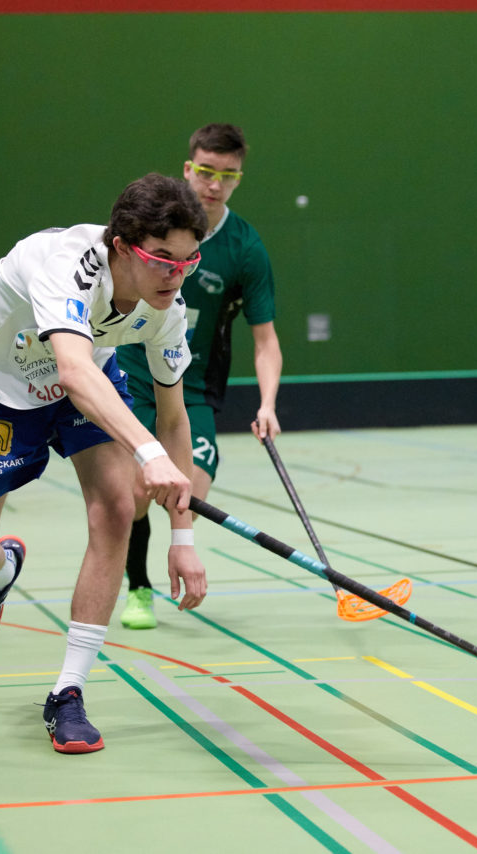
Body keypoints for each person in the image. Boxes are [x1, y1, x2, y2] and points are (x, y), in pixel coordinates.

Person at [0, 174, 210, 754]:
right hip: (4, 390)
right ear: (122, 246)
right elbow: (72, 369)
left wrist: (183, 537)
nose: (175, 275)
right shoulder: (67, 265)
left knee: (115, 508)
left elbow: (174, 419)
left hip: (89, 387)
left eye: (188, 261)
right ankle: (0, 573)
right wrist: (147, 454)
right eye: (162, 259)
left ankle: (68, 691)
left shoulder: (167, 310)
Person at [116, 123, 282, 630]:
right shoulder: (153, 225)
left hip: (194, 391)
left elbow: (265, 341)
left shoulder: (245, 248)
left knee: (188, 495)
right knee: (134, 495)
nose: (215, 184)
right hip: (131, 380)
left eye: (228, 175)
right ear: (188, 168)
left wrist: (267, 404)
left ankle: (177, 552)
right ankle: (139, 587)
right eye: (206, 171)